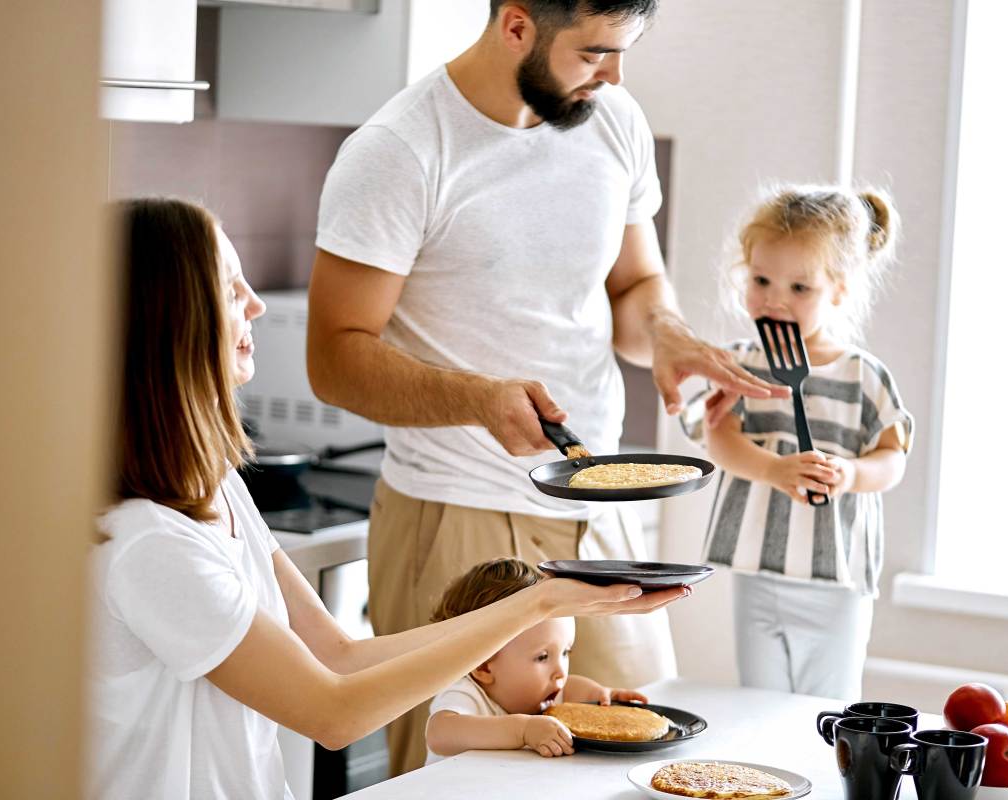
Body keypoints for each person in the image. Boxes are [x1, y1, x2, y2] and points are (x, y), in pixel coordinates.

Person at [305, 0, 788, 774]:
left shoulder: (613, 119)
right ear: (517, 26)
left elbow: (635, 286)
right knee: (462, 779)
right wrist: (477, 399)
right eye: (596, 52)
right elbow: (334, 359)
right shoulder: (399, 150)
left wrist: (663, 335)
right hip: (462, 508)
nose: (617, 74)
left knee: (645, 759)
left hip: (600, 512)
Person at [88, 197, 685, 799]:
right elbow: (333, 713)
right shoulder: (150, 543)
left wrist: (549, 602)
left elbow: (341, 656)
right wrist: (535, 607)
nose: (257, 303)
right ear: (172, 318)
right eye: (229, 285)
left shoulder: (217, 486)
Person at [695, 184, 914, 701]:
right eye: (761, 280)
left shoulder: (863, 375)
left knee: (827, 712)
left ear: (838, 289)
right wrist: (772, 470)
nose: (774, 299)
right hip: (757, 570)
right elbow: (719, 440)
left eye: (800, 288)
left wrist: (853, 474)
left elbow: (893, 457)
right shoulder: (740, 364)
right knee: (758, 704)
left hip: (834, 580)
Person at [424, 558, 663, 763]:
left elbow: (569, 689)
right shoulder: (466, 694)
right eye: (542, 657)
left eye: (565, 652)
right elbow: (439, 734)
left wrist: (602, 696)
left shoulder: (543, 692)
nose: (560, 672)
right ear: (483, 665)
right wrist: (522, 730)